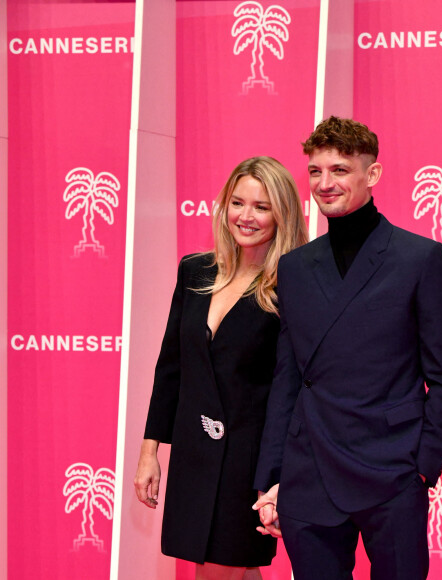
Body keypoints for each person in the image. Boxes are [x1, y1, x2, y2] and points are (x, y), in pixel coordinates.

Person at [253, 117, 442, 579]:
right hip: (309, 472)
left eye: (340, 170)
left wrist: (423, 468)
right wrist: (272, 476)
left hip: (391, 469)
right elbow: (287, 378)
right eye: (315, 171)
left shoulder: (419, 259)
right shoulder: (294, 268)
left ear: (372, 175)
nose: (325, 184)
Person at [134, 156, 308, 580]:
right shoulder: (195, 271)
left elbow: (298, 388)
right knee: (235, 570)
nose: (245, 216)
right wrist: (149, 452)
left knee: (220, 568)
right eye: (237, 202)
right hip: (194, 454)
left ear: (283, 213)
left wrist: (279, 474)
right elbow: (171, 367)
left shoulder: (295, 286)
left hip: (248, 462)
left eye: (262, 207)